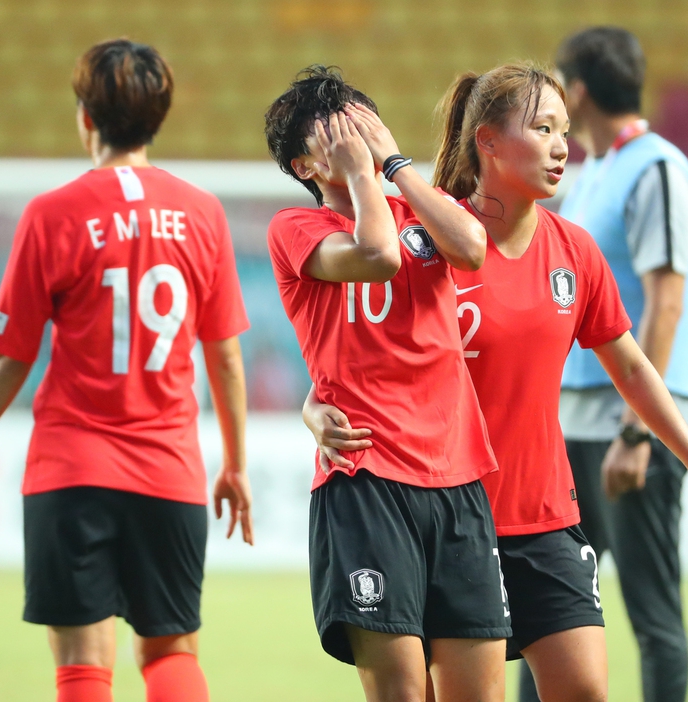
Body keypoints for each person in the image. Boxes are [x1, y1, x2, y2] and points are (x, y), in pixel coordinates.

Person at [304, 64, 688, 702]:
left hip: (541, 514)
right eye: (543, 129)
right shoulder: (429, 241)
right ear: (486, 141)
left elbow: (632, 367)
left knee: (586, 688)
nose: (564, 146)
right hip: (444, 517)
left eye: (565, 130)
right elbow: (357, 349)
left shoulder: (575, 251)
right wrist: (314, 407)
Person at [0, 39, 253, 702]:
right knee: (170, 649)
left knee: (82, 657)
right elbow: (222, 351)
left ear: (85, 116)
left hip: (72, 468)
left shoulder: (51, 214)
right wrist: (235, 464)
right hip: (169, 470)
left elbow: (10, 356)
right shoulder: (202, 213)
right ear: (159, 116)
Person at [265, 66, 511, 702]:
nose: (352, 137)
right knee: (402, 693)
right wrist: (362, 178)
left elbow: (473, 247)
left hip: (456, 476)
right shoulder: (296, 228)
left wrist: (394, 165)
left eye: (359, 122)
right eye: (333, 131)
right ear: (301, 163)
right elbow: (379, 255)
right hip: (366, 481)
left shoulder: (422, 206)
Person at [552, 27, 688, 702]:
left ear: (577, 90)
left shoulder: (657, 168)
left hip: (629, 430)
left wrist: (635, 431)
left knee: (651, 616)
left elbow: (664, 301)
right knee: (551, 611)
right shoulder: (591, 175)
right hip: (572, 426)